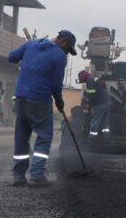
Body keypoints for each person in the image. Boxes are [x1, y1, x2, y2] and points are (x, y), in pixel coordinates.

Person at [8, 30, 76, 187]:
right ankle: (37, 175)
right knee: (44, 137)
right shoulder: (59, 55)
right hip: (39, 99)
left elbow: (11, 57)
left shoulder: (31, 44)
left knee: (21, 137)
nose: (66, 53)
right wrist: (59, 101)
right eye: (68, 50)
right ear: (64, 42)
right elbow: (55, 84)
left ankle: (18, 176)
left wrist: (28, 56)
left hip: (21, 97)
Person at [78, 70, 111, 139]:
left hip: (100, 103)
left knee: (95, 120)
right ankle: (106, 138)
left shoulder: (89, 80)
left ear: (83, 77)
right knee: (105, 122)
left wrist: (89, 103)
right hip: (107, 101)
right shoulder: (94, 79)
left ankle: (92, 138)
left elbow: (92, 93)